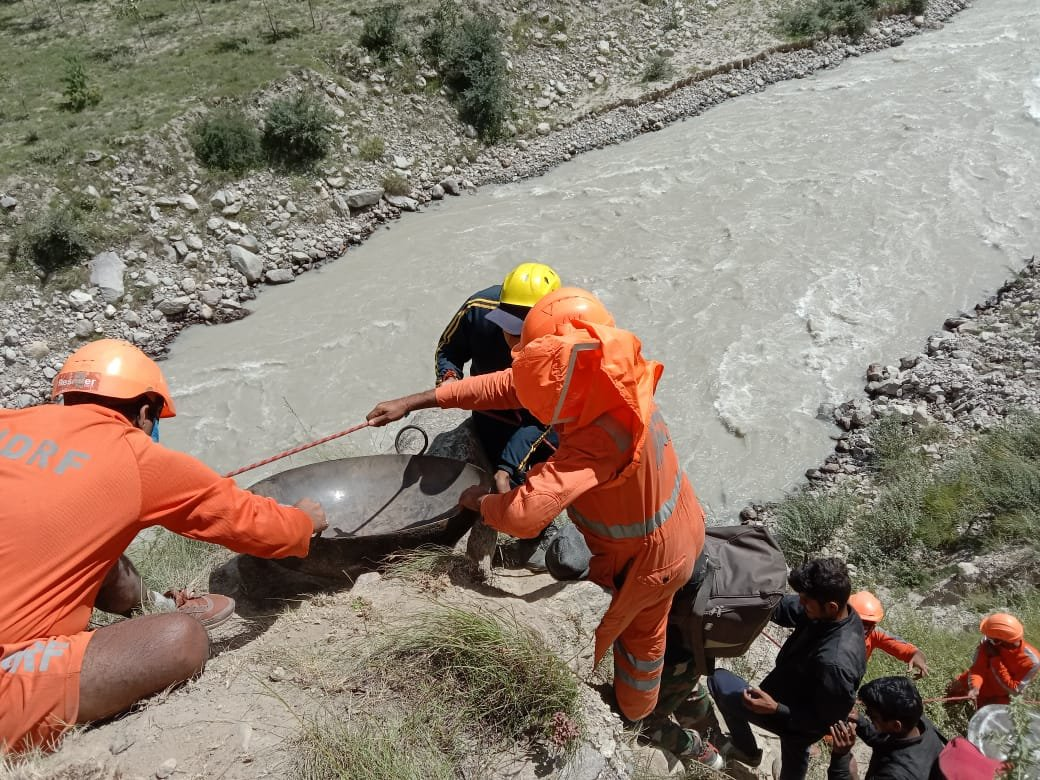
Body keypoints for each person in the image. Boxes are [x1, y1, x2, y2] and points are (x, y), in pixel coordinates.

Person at [368, 288, 720, 767]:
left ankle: (639, 720)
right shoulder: (610, 373)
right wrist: (417, 401)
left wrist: (483, 502)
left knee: (641, 647)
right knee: (659, 639)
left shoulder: (601, 435)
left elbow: (526, 514)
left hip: (654, 561)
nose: (520, 359)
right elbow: (508, 385)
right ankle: (697, 704)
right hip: (682, 518)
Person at [0, 339, 328, 753]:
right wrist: (304, 520)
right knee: (180, 638)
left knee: (102, 556)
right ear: (145, 411)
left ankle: (155, 603)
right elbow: (263, 530)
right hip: (7, 673)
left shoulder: (7, 421)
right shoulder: (137, 458)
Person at [435, 261, 562, 570]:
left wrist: (509, 464)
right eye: (507, 325)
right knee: (498, 475)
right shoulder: (478, 310)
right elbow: (448, 350)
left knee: (524, 476)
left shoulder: (566, 338)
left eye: (521, 331)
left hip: (541, 420)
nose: (511, 336)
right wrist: (449, 378)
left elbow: (554, 411)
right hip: (493, 416)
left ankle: (536, 537)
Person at [707, 558, 866, 780]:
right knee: (795, 753)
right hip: (794, 697)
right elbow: (783, 609)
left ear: (831, 606)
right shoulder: (836, 613)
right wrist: (744, 592)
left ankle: (747, 750)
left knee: (719, 682)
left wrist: (775, 708)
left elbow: (826, 721)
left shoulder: (836, 663)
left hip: (796, 718)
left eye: (805, 600)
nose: (800, 604)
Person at [827, 676, 946, 780]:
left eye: (872, 716)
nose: (867, 715)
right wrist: (859, 721)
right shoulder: (918, 723)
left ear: (896, 725)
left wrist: (842, 761)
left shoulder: (896, 774)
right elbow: (885, 740)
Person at [949, 612, 1039, 708]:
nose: (986, 638)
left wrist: (996, 660)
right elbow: (977, 669)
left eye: (990, 638)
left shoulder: (1032, 662)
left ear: (999, 641)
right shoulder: (988, 643)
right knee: (952, 689)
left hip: (999, 696)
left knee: (990, 718)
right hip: (977, 683)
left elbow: (1014, 690)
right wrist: (975, 687)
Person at [849, 590, 929, 677]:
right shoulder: (835, 631)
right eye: (861, 622)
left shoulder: (874, 634)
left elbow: (904, 648)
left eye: (869, 624)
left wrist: (915, 655)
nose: (864, 628)